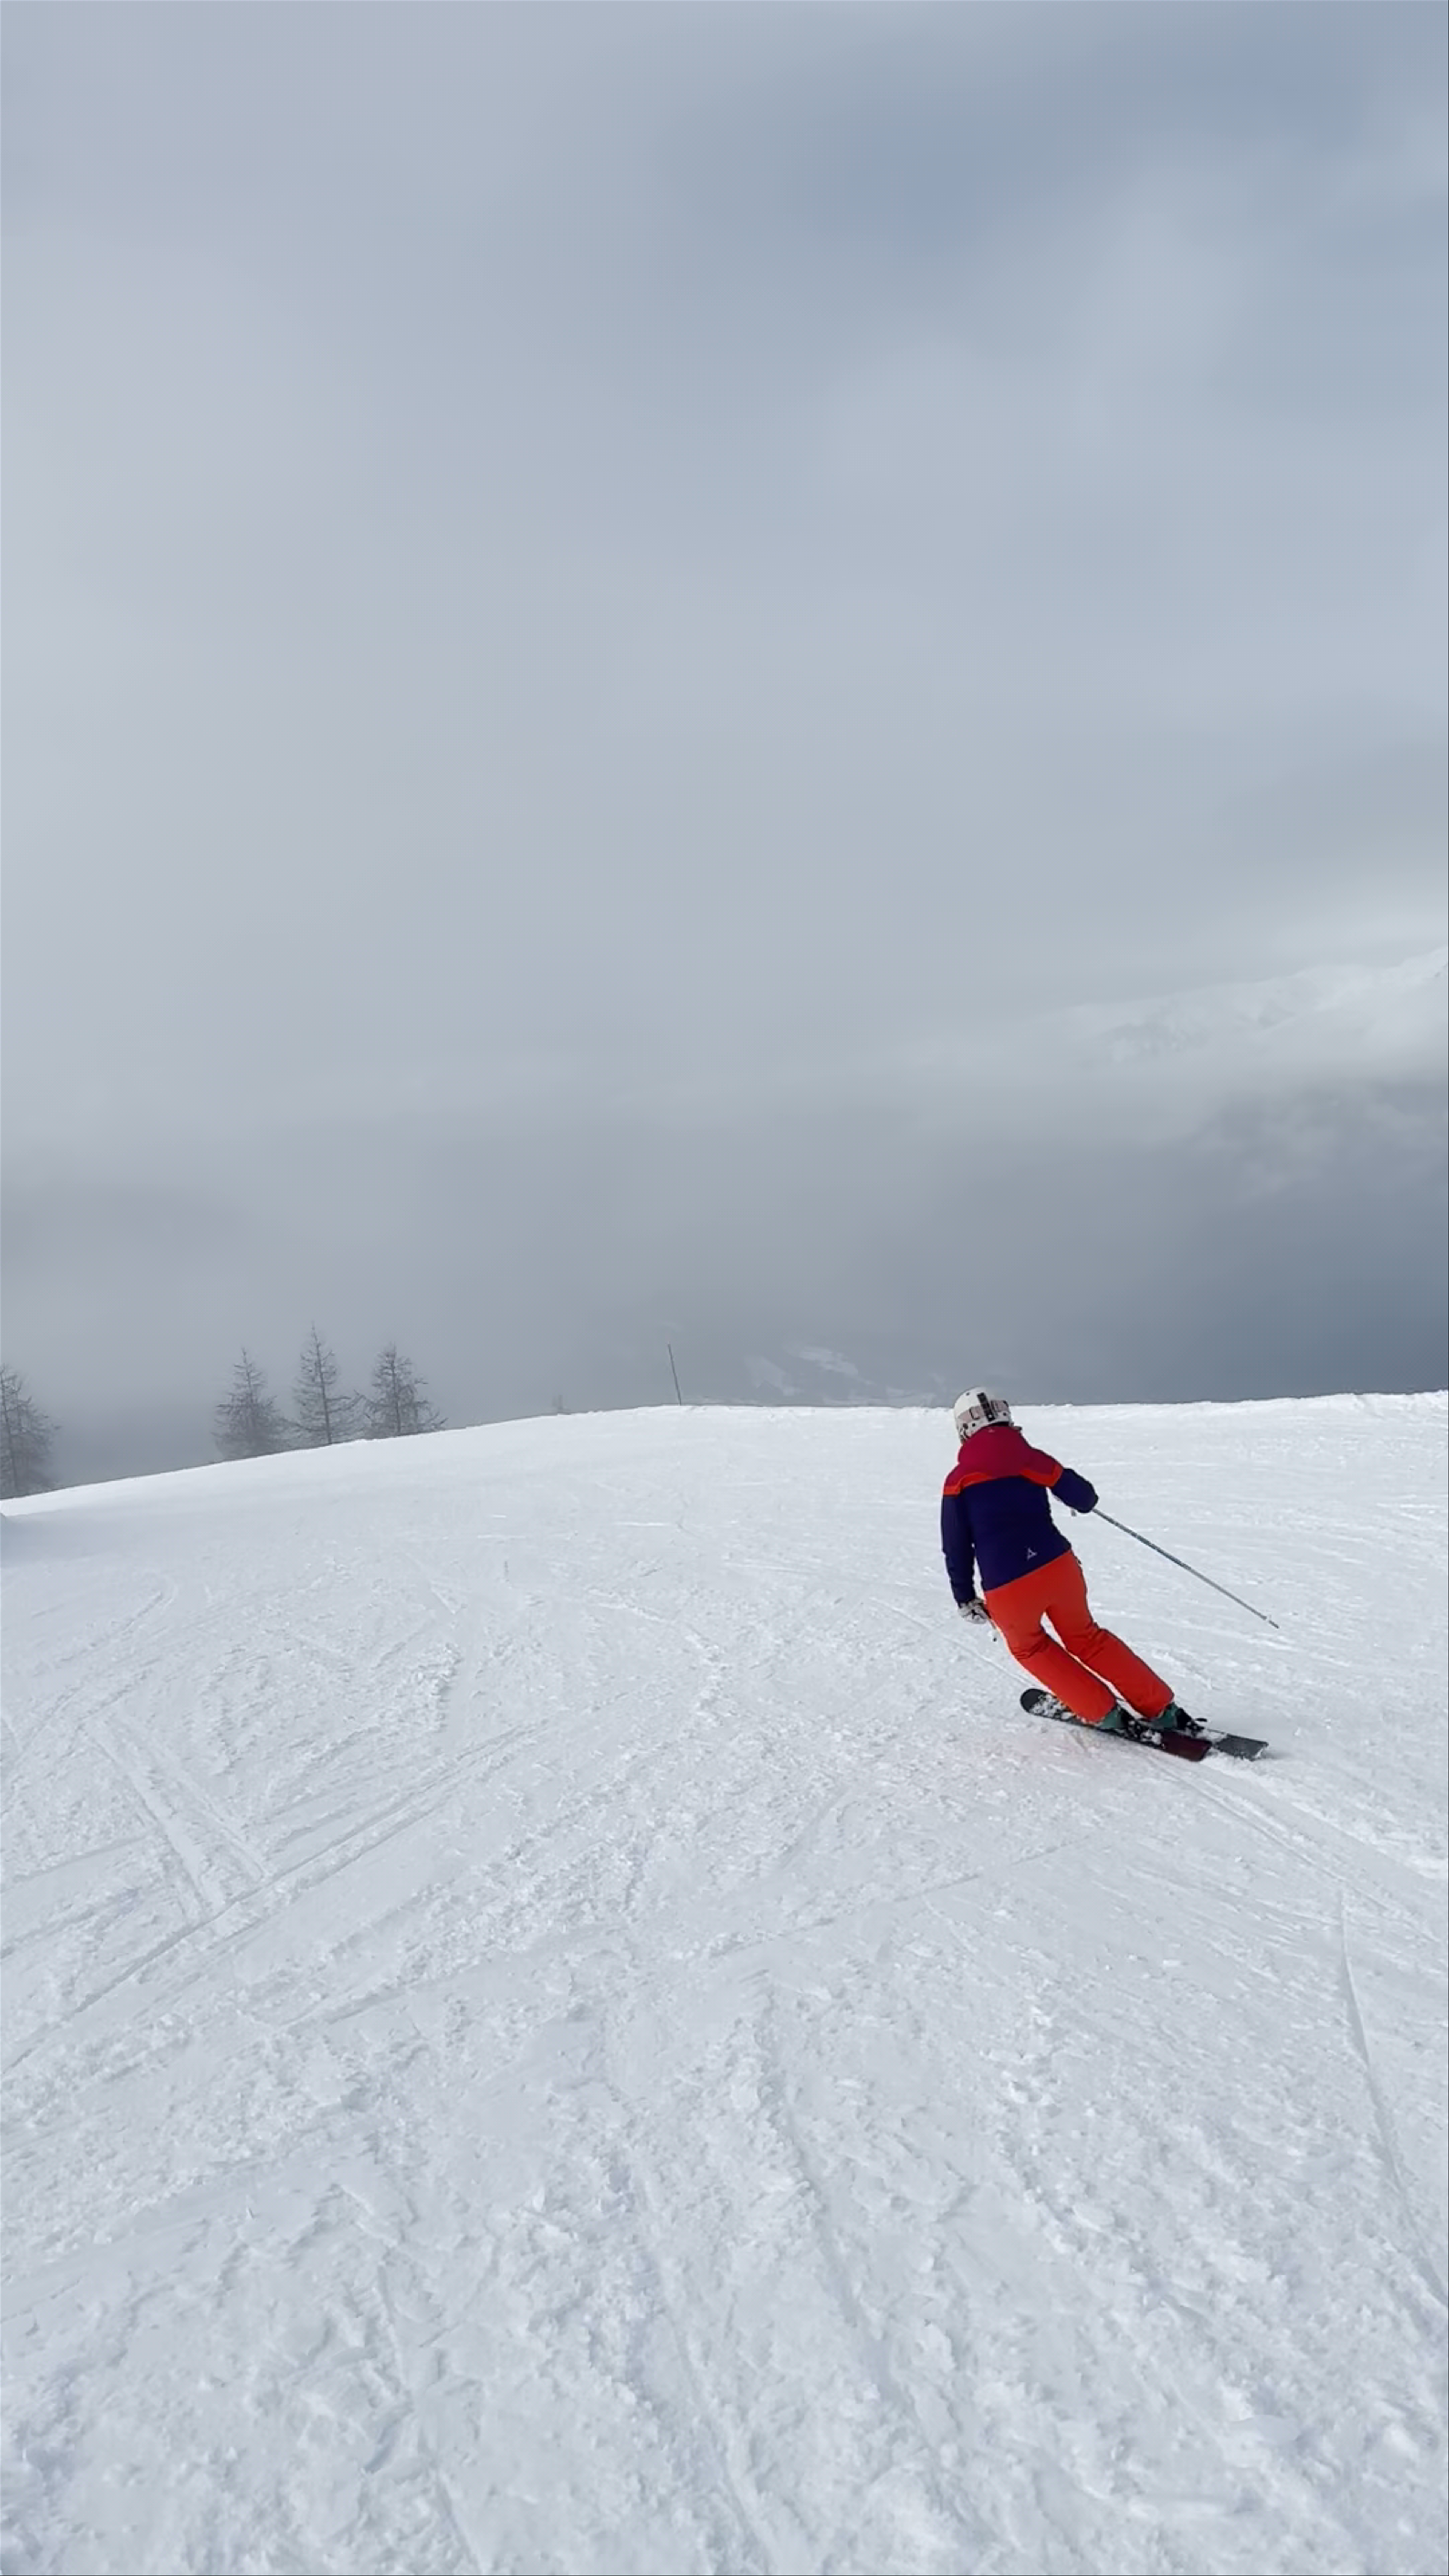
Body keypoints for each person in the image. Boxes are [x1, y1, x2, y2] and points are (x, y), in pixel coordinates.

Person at [941, 1388, 1199, 1736]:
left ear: (963, 1429)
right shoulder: (1033, 1459)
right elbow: (1085, 1498)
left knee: (1030, 1647)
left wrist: (964, 1597)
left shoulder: (958, 1481)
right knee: (1087, 1638)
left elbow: (956, 1545)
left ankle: (1104, 1713)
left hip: (1009, 1586)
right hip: (1059, 1568)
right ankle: (1163, 1709)